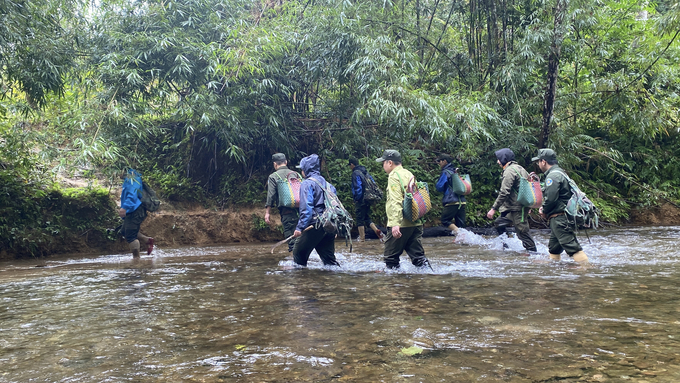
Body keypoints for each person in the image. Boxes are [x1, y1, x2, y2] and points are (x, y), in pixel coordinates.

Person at [376, 149, 430, 269]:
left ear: (390, 163)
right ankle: (429, 279)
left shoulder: (393, 176)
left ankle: (395, 285)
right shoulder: (408, 173)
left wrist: (395, 224)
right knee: (419, 258)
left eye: (383, 162)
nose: (383, 165)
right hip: (415, 222)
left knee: (390, 258)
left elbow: (396, 201)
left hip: (401, 225)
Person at [532, 148, 588, 264]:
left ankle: (586, 271)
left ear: (543, 161)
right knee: (554, 248)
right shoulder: (561, 172)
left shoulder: (552, 177)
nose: (538, 164)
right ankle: (554, 272)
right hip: (560, 217)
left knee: (572, 247)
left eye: (538, 161)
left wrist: (544, 210)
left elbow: (551, 199)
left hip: (559, 218)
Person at [291, 154, 340, 267]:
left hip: (314, 226)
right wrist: (335, 229)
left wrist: (300, 227)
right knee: (330, 261)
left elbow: (306, 208)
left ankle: (303, 282)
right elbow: (335, 207)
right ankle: (334, 282)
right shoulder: (329, 185)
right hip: (329, 226)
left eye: (302, 169)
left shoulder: (307, 184)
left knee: (298, 256)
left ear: (306, 170)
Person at [486, 148, 537, 252]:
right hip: (516, 207)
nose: (497, 162)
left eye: (499, 159)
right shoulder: (521, 168)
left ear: (504, 159)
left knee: (523, 231)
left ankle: (533, 254)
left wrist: (493, 208)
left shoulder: (509, 171)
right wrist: (529, 205)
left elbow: (504, 192)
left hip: (517, 207)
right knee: (499, 223)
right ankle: (507, 245)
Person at [265, 153, 301, 252]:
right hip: (302, 213)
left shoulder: (273, 176)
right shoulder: (295, 174)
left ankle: (297, 265)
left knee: (292, 242)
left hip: (287, 214)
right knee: (301, 240)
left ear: (275, 164)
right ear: (286, 162)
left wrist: (267, 212)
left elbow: (271, 195)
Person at [119, 169, 154, 258]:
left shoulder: (133, 177)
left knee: (130, 236)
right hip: (131, 210)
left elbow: (132, 194)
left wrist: (124, 207)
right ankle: (147, 240)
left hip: (136, 210)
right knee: (124, 231)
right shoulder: (128, 178)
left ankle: (136, 260)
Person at [349, 158, 383, 242]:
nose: (350, 167)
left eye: (350, 165)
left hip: (361, 199)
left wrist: (357, 198)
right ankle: (377, 231)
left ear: (352, 164)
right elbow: (373, 183)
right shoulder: (365, 172)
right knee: (367, 217)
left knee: (359, 219)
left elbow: (358, 187)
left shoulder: (355, 173)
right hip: (369, 198)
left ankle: (362, 239)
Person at [434, 154, 466, 234]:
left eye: (439, 161)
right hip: (462, 200)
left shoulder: (446, 172)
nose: (439, 163)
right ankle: (464, 242)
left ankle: (460, 234)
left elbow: (439, 187)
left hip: (451, 201)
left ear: (444, 161)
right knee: (460, 223)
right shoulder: (455, 171)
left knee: (445, 220)